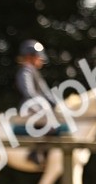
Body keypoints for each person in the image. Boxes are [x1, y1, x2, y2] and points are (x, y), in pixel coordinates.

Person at [14, 38, 64, 166]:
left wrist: (57, 104)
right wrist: (43, 106)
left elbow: (46, 92)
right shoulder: (25, 71)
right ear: (30, 57)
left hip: (37, 105)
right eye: (38, 57)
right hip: (29, 107)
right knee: (51, 125)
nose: (41, 60)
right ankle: (35, 152)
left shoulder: (34, 72)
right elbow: (29, 92)